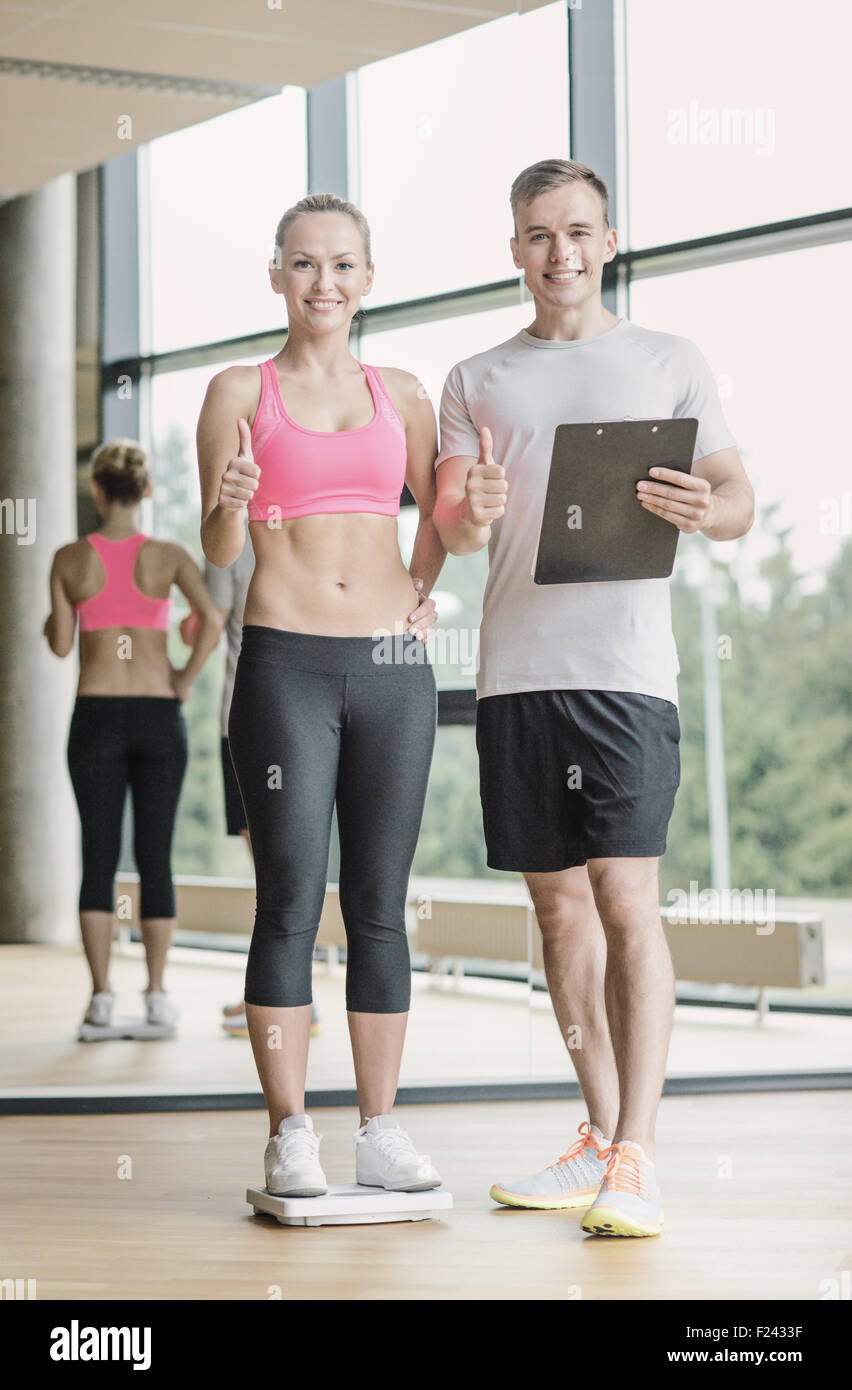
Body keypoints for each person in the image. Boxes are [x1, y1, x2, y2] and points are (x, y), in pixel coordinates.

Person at [433, 158, 754, 1237]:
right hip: (518, 673)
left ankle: (641, 1155)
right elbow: (453, 530)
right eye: (536, 234)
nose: (558, 252)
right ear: (513, 247)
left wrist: (711, 507)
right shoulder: (475, 378)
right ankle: (601, 1136)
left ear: (607, 239)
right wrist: (469, 510)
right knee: (558, 908)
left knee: (626, 895)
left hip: (624, 675)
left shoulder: (670, 359)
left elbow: (740, 496)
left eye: (577, 231)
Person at [196, 192, 445, 1197]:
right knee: (290, 899)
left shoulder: (406, 391)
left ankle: (379, 1127)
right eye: (304, 264)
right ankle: (290, 1127)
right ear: (276, 276)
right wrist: (227, 504)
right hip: (285, 659)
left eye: (343, 264)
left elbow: (442, 514)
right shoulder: (233, 389)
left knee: (380, 903)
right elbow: (219, 552)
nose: (323, 283)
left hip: (391, 664)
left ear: (369, 278)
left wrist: (427, 591)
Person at [44, 440, 224, 1034]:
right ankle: (155, 994)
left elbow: (63, 644)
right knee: (156, 859)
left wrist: (57, 617)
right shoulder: (168, 557)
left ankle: (100, 998)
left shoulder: (69, 560)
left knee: (98, 857)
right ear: (146, 490)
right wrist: (183, 680)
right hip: (155, 713)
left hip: (95, 714)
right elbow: (214, 621)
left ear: (97, 490)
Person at [191, 536, 321, 1039]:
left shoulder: (229, 535)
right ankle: (286, 998)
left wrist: (182, 677)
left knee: (277, 877)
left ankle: (287, 1000)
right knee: (284, 873)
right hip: (300, 714)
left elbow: (214, 617)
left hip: (249, 716)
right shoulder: (289, 523)